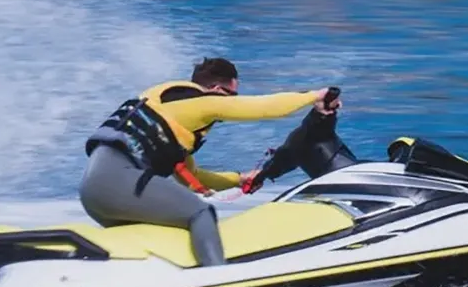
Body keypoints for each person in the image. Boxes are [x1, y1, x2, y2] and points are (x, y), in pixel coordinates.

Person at [79, 57, 341, 268]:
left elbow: (194, 179)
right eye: (230, 95)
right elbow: (261, 107)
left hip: (97, 194)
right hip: (120, 184)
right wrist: (314, 96)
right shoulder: (197, 104)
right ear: (217, 91)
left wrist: (239, 179)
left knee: (170, 236)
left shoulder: (169, 111)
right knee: (201, 213)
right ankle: (219, 281)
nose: (228, 105)